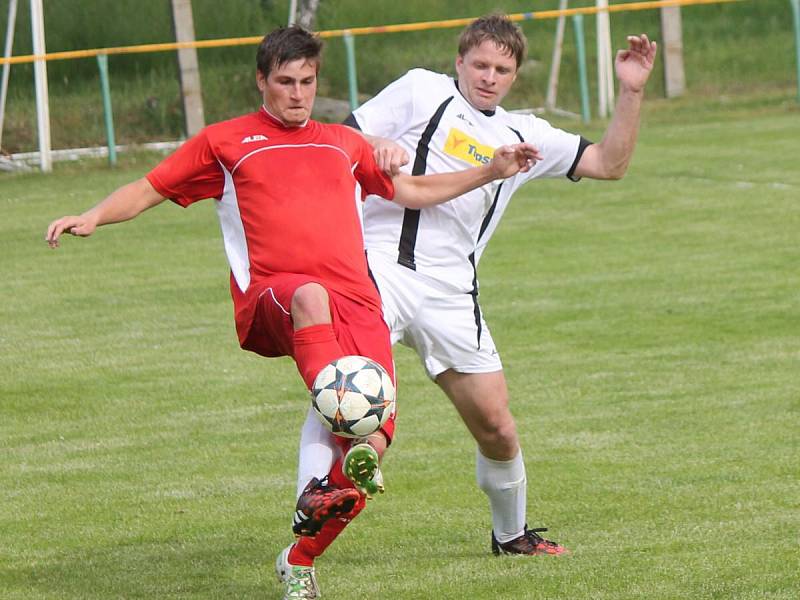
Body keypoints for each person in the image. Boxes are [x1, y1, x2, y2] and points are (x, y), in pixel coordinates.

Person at [45, 25, 540, 599]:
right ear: (262, 80)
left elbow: (411, 191)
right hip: (278, 295)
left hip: (357, 299)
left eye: (307, 82)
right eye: (285, 82)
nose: (297, 94)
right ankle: (330, 428)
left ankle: (300, 556)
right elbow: (151, 187)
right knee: (317, 313)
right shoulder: (226, 143)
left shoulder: (342, 142)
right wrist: (93, 216)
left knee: (372, 445)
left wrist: (488, 170)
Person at [330, 14, 655, 556]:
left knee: (498, 429)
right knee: (358, 390)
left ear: (514, 76)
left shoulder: (523, 134)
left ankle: (512, 537)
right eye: (480, 64)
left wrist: (630, 91)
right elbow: (341, 137)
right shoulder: (420, 90)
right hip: (379, 268)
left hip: (454, 295)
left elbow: (609, 162)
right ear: (459, 62)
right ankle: (320, 494)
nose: (489, 76)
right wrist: (377, 143)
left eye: (502, 69)